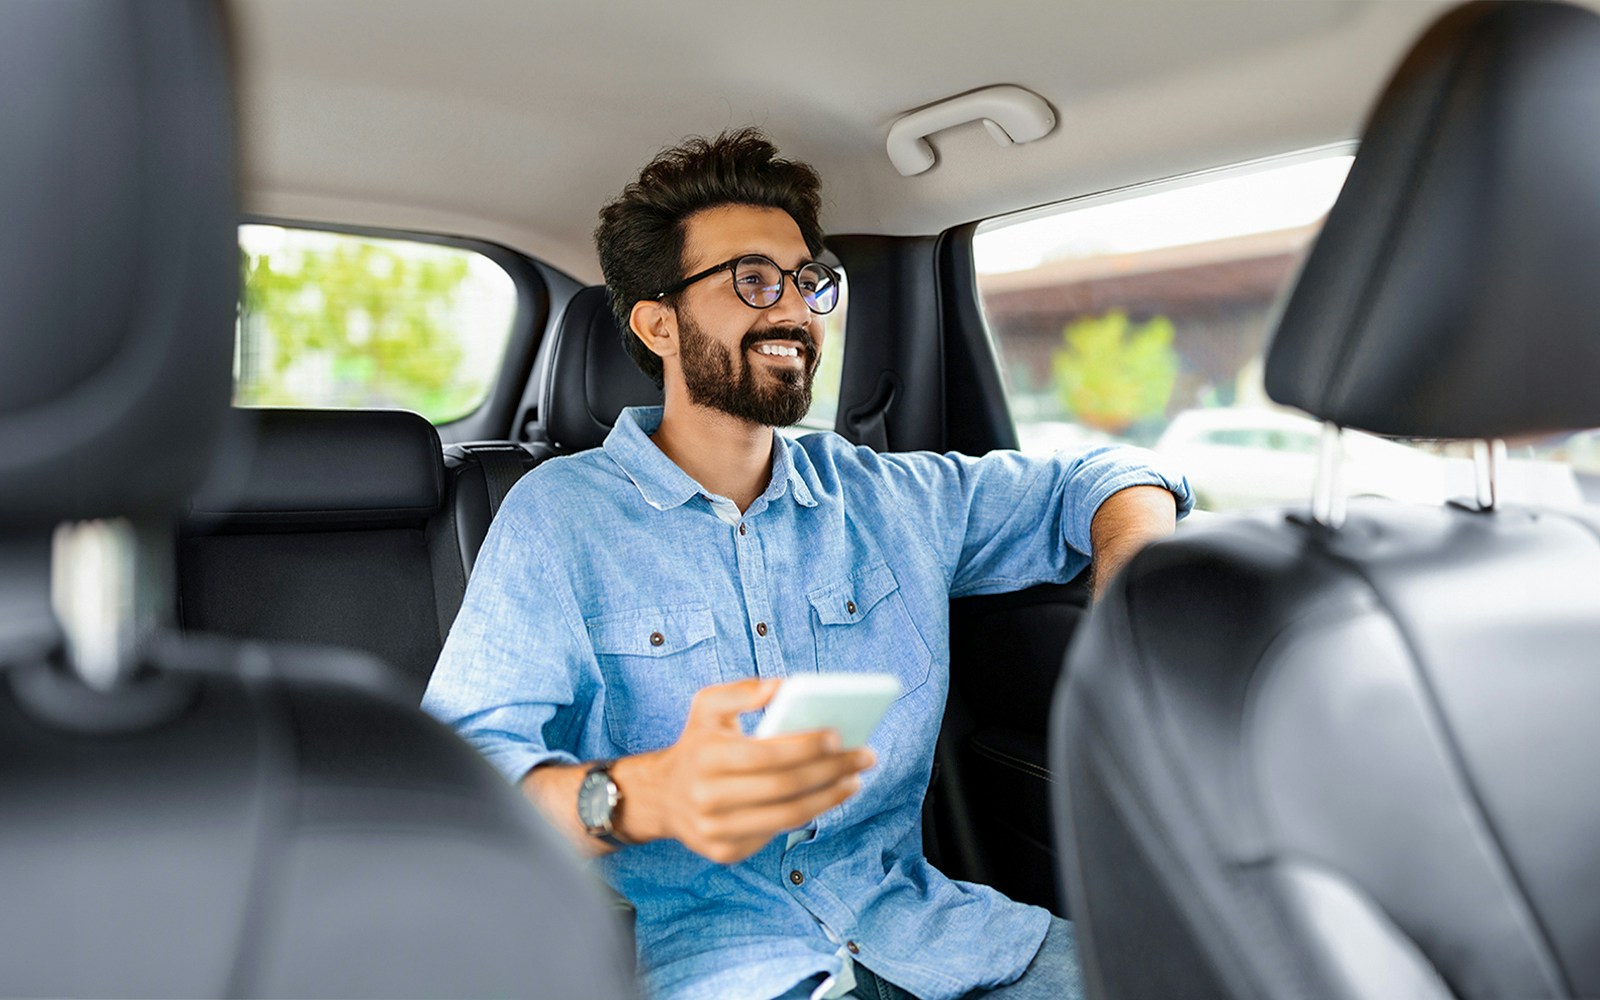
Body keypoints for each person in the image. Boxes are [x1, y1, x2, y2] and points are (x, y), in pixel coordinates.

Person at [423, 127, 1191, 1000]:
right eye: (753, 279)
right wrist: (642, 796)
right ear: (658, 322)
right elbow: (460, 779)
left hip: (948, 944)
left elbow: (1112, 476)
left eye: (809, 281)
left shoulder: (888, 495)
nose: (794, 309)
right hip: (725, 968)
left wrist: (1136, 614)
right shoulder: (561, 518)